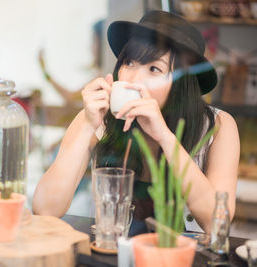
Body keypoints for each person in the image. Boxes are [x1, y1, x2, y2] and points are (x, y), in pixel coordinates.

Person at [32, 10, 239, 234]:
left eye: (154, 69)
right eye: (129, 62)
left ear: (181, 84)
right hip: (111, 254)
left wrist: (165, 137)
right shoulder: (97, 117)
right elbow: (45, 209)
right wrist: (87, 126)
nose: (133, 79)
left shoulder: (218, 127)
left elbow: (218, 224)